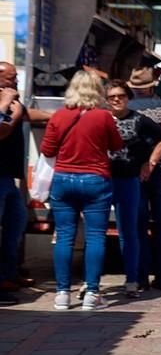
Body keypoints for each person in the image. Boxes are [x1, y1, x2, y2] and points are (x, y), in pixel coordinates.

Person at [43, 71, 123, 311]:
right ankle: (92, 294)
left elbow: (47, 150)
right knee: (95, 236)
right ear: (97, 91)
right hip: (95, 180)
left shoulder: (59, 116)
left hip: (63, 180)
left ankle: (62, 294)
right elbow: (117, 145)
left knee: (65, 236)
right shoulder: (103, 117)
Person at [105, 81, 161, 298]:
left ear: (128, 97)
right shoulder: (102, 119)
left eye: (120, 95)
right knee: (127, 229)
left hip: (133, 180)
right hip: (106, 179)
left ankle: (152, 276)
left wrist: (150, 163)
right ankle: (136, 277)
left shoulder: (138, 119)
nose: (116, 99)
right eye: (112, 96)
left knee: (142, 228)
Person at [127, 67, 161, 290]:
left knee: (138, 225)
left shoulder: (127, 108)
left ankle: (139, 276)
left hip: (135, 170)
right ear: (152, 87)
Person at [0, 62, 30, 304]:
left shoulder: (13, 102)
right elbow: (1, 130)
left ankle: (8, 275)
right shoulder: (6, 102)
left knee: (15, 225)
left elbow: (28, 114)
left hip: (7, 177)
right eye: (12, 79)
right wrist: (11, 107)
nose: (15, 83)